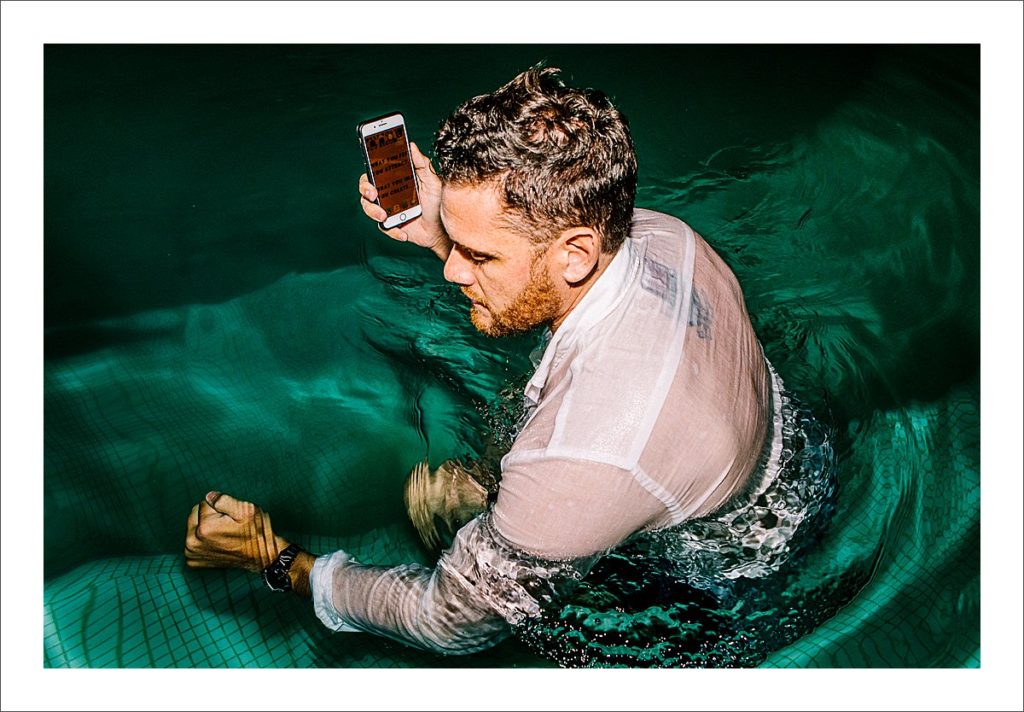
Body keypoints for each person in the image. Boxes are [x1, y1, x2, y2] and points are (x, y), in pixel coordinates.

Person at [184, 66, 830, 655]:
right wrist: (445, 224)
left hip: (715, 581)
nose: (453, 271)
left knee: (495, 585)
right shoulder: (666, 237)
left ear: (574, 252)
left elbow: (447, 621)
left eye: (480, 256)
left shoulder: (586, 459)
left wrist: (278, 561)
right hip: (792, 462)